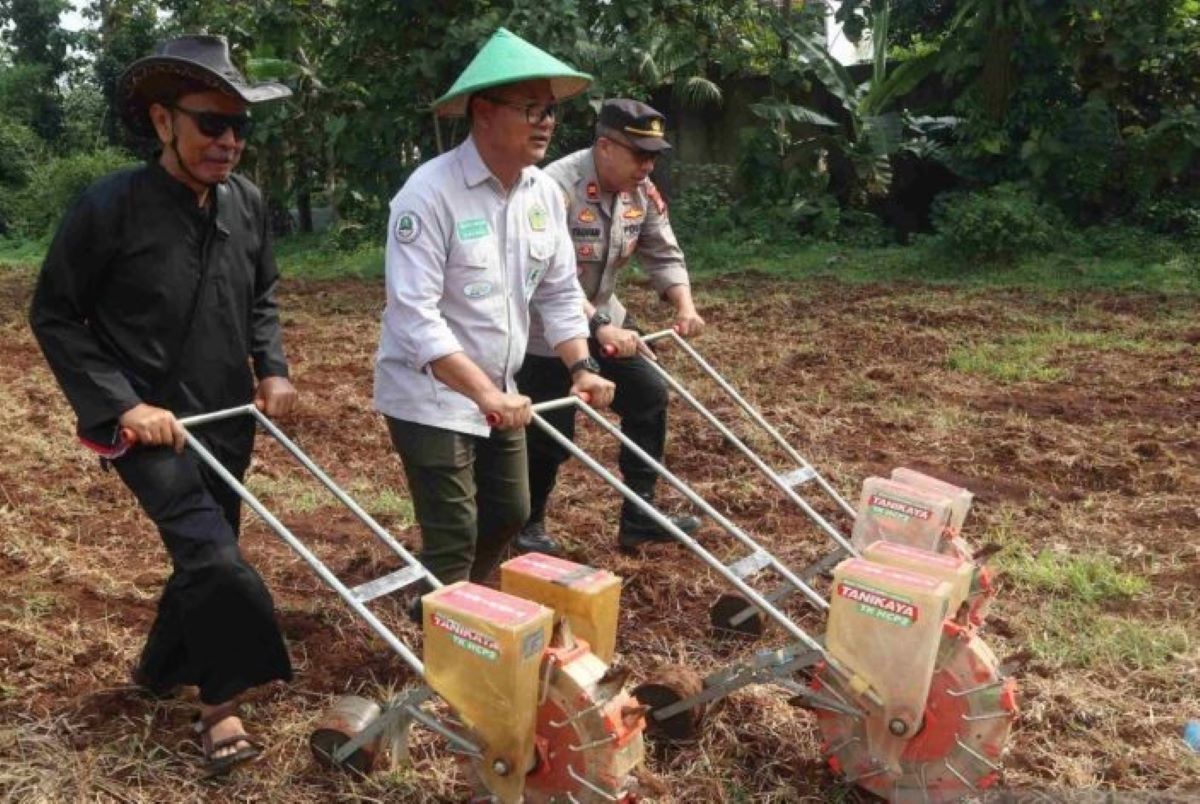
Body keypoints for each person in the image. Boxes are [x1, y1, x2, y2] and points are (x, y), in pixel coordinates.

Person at [28, 35, 297, 776]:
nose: (230, 142)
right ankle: (220, 705)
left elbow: (263, 296)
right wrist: (122, 404)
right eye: (212, 123)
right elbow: (53, 314)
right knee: (214, 556)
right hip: (144, 427)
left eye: (241, 127)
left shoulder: (245, 203)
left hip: (225, 415)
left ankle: (155, 669)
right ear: (161, 122)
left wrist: (270, 367)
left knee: (205, 548)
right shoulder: (108, 207)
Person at [374, 28, 615, 589]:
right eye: (530, 108)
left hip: (501, 389)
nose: (547, 122)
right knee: (454, 529)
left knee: (510, 511)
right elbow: (414, 316)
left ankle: (456, 602)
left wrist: (581, 365)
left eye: (550, 110)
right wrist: (483, 393)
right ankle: (451, 623)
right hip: (428, 394)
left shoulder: (542, 196)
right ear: (483, 113)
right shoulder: (427, 194)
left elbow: (557, 291)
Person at [515, 99, 706, 556]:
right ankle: (527, 527)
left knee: (648, 397)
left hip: (605, 315)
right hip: (544, 329)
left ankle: (640, 519)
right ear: (604, 146)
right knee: (550, 432)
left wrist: (684, 304)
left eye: (654, 156)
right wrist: (597, 327)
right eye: (640, 155)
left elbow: (662, 250)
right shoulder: (552, 188)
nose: (649, 165)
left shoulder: (642, 191)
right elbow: (548, 277)